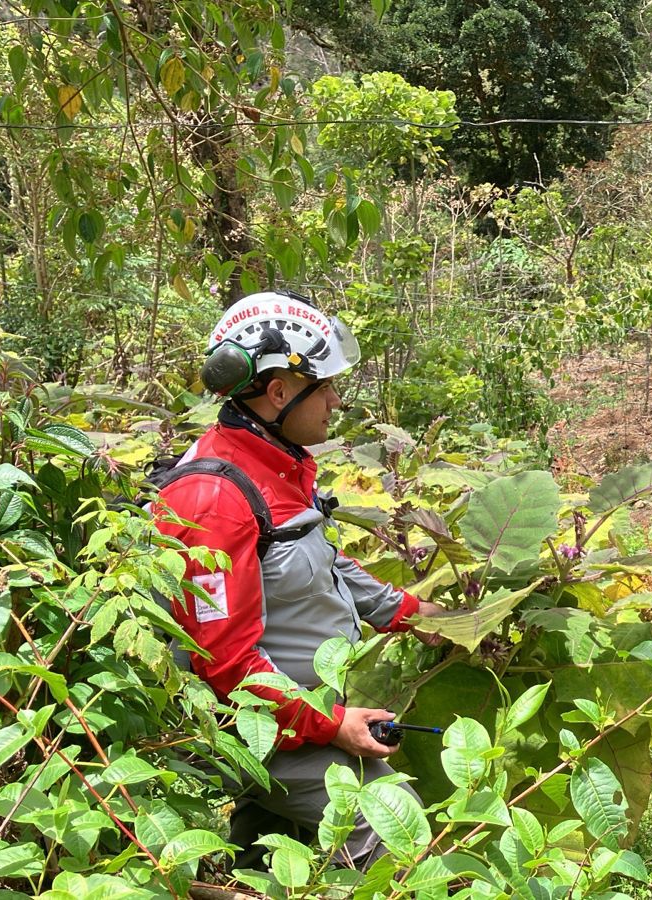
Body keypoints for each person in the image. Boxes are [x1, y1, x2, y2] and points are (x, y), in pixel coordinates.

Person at [153, 291, 446, 868]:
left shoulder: (278, 462)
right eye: (325, 386)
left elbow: (323, 562)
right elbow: (223, 661)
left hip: (299, 718)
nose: (336, 399)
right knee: (396, 829)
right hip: (255, 727)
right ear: (279, 392)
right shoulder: (214, 496)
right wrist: (333, 725)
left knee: (263, 862)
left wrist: (407, 611)